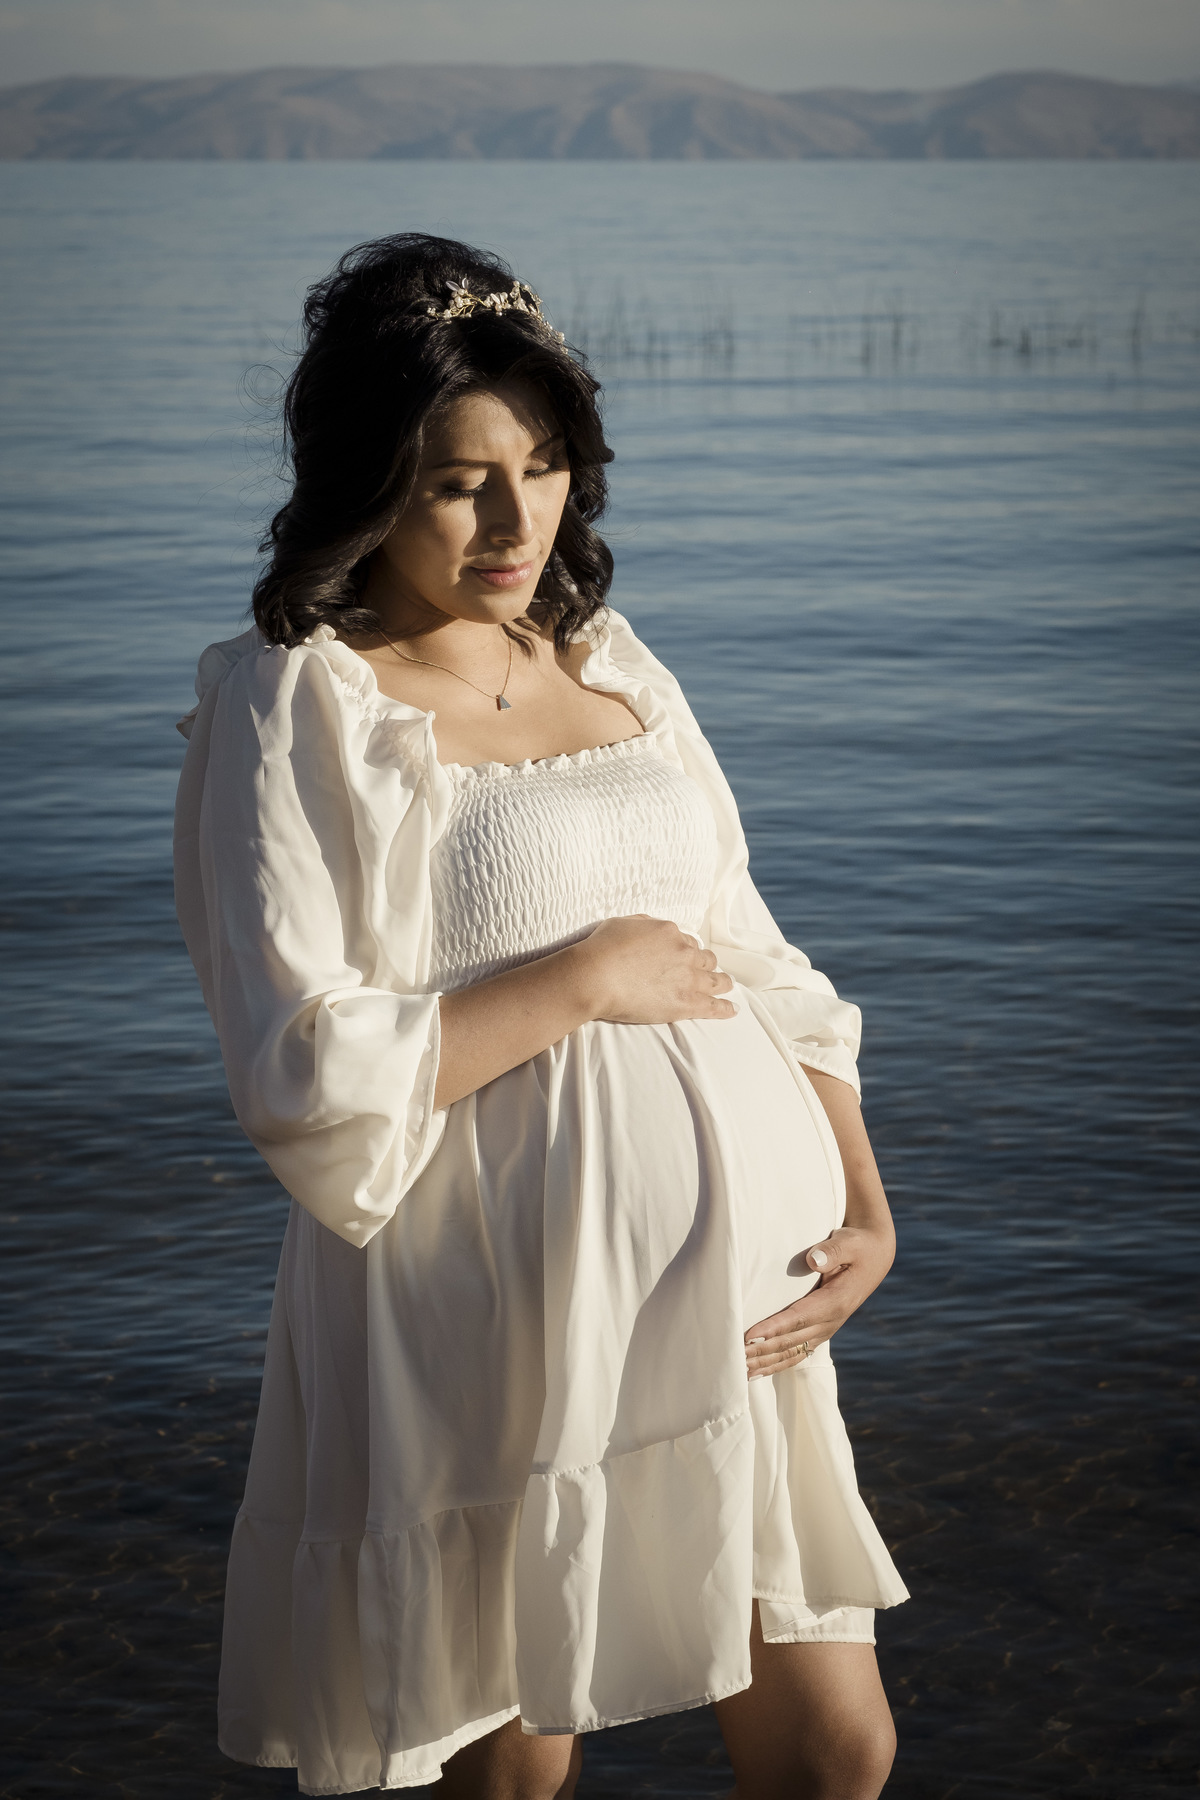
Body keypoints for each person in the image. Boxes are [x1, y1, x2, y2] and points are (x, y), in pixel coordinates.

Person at [174, 234, 908, 1800]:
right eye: (459, 480)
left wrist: (861, 1194)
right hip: (483, 1300)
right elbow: (301, 1068)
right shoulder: (299, 699)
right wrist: (575, 980)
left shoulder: (616, 667)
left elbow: (761, 961)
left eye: (548, 464)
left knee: (839, 1747)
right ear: (367, 478)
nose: (517, 520)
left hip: (734, 1306)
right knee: (515, 1774)